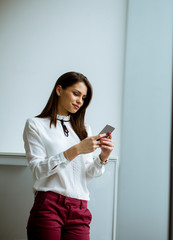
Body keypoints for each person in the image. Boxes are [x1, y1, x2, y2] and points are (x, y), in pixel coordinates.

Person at [23, 72, 114, 240]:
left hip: (80, 210)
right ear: (59, 90)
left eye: (84, 97)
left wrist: (102, 157)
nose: (80, 101)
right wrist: (76, 150)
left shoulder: (84, 129)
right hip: (49, 207)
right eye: (76, 93)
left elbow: (87, 174)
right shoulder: (35, 125)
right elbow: (37, 170)